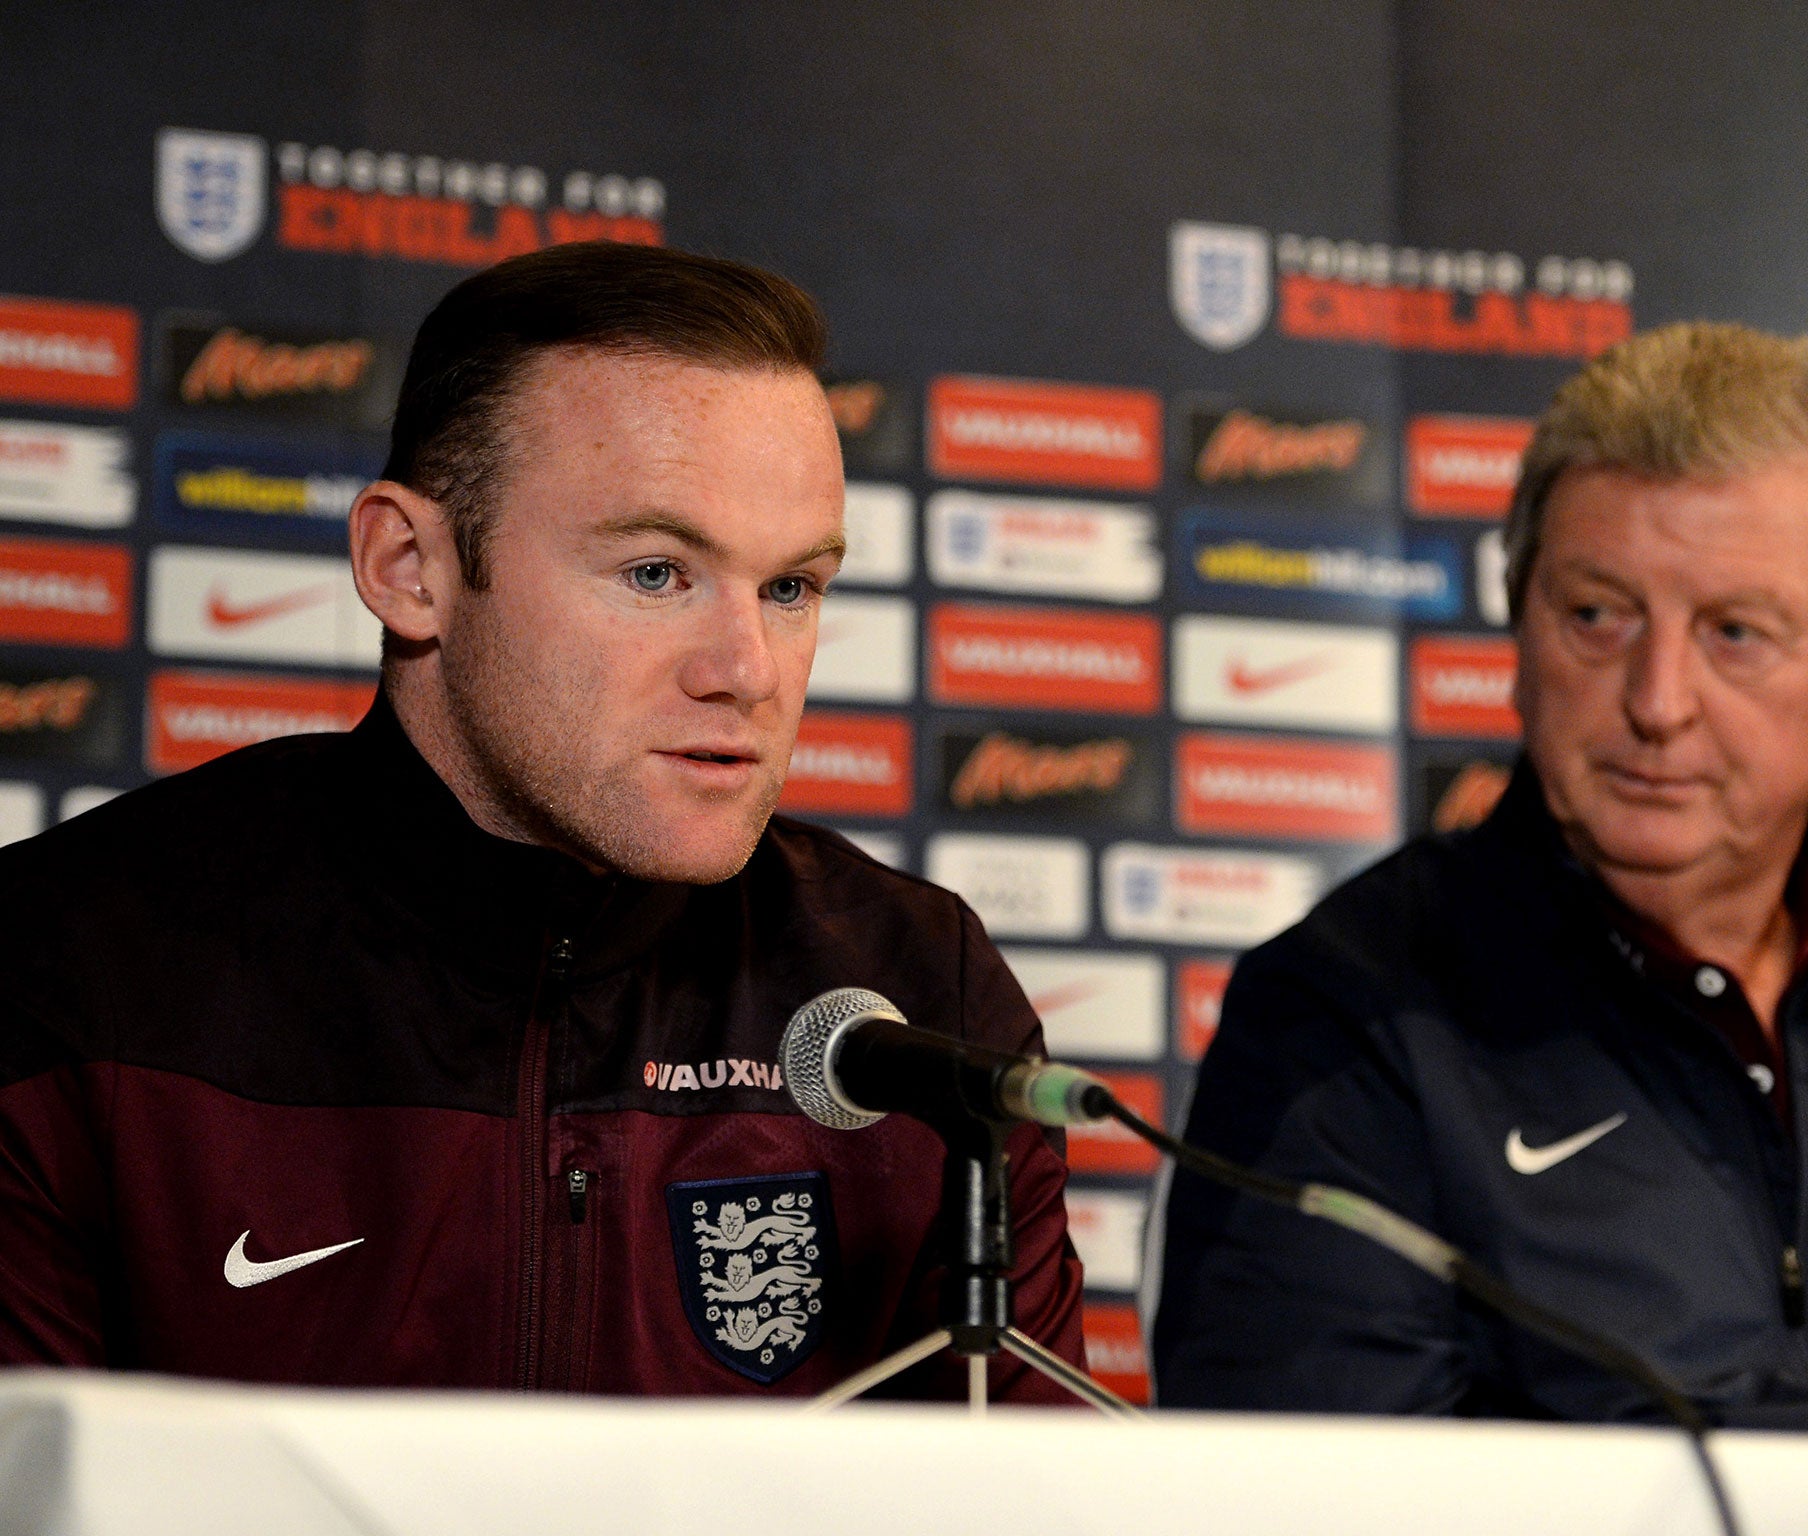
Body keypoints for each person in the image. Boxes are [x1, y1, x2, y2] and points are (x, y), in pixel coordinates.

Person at [0, 242, 1084, 1396]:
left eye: (789, 588)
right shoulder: (71, 968)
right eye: (657, 573)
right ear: (409, 566)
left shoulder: (915, 990)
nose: (747, 670)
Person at [1153, 321, 1808, 1431]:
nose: (1655, 700)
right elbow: (1306, 1503)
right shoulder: (1347, 1021)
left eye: (1733, 632)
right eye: (1595, 615)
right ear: (1518, 629)